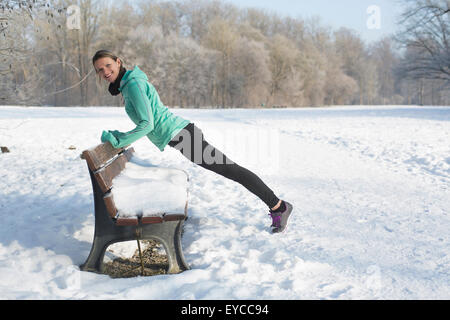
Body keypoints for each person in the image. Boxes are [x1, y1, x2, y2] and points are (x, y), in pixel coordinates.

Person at [92, 50, 293, 233]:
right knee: (230, 169)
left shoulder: (133, 85)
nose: (105, 72)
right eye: (100, 70)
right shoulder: (129, 85)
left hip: (183, 136)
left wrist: (119, 141)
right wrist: (121, 136)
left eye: (108, 66)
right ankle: (277, 206)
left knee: (231, 170)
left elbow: (147, 124)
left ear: (118, 62)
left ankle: (279, 206)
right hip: (182, 136)